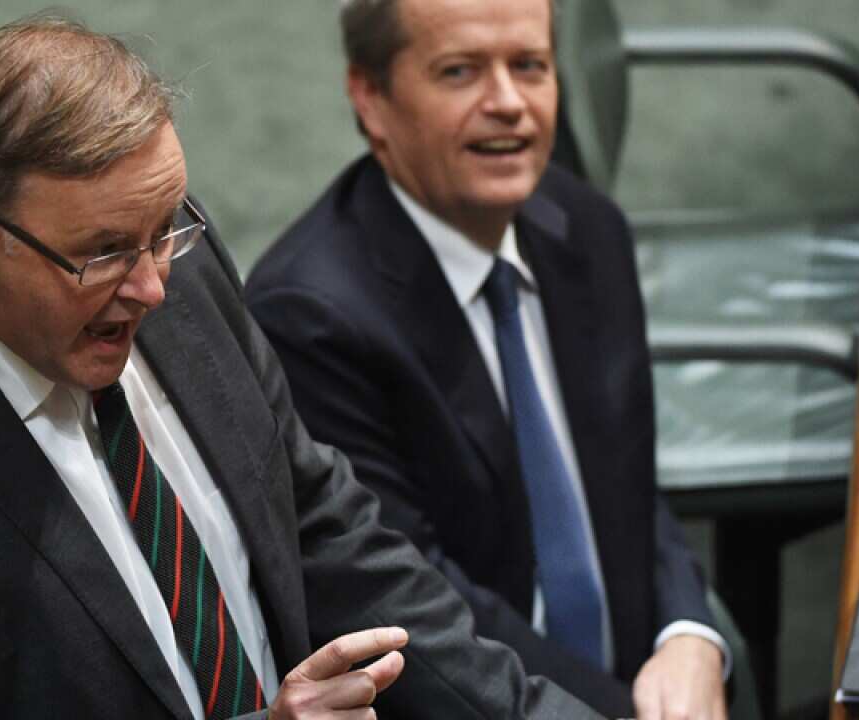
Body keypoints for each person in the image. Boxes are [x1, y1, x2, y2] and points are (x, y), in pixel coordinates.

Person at [0, 15, 601, 720]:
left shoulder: (167, 257)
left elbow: (324, 534)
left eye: (166, 228)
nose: (156, 286)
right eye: (108, 251)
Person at [245, 0, 729, 718]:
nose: (508, 103)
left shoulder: (586, 229)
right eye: (461, 71)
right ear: (371, 98)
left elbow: (629, 486)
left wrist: (690, 634)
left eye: (529, 66)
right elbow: (416, 615)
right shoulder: (311, 318)